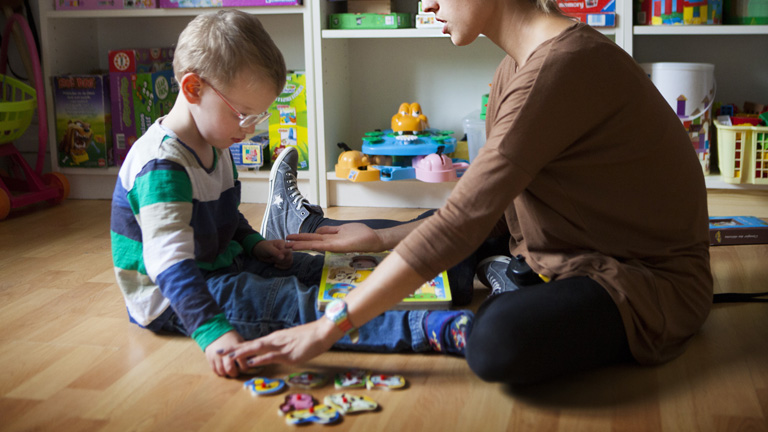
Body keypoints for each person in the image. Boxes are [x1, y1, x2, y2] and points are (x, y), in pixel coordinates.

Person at [225, 0, 713, 385]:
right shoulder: (514, 68)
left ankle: (501, 277)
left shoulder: (561, 67)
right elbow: (485, 212)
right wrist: (377, 240)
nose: (428, 7)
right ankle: (305, 231)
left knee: (495, 340)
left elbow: (464, 221)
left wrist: (327, 329)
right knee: (439, 264)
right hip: (561, 245)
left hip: (641, 282)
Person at [109, 10, 473, 379]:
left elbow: (225, 218)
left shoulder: (215, 142)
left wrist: (253, 244)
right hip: (180, 297)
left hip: (224, 264)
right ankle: (426, 327)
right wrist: (211, 332)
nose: (249, 131)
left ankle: (437, 285)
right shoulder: (162, 168)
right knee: (292, 305)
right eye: (244, 115)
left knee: (328, 271)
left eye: (259, 118)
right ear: (193, 89)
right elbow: (170, 265)